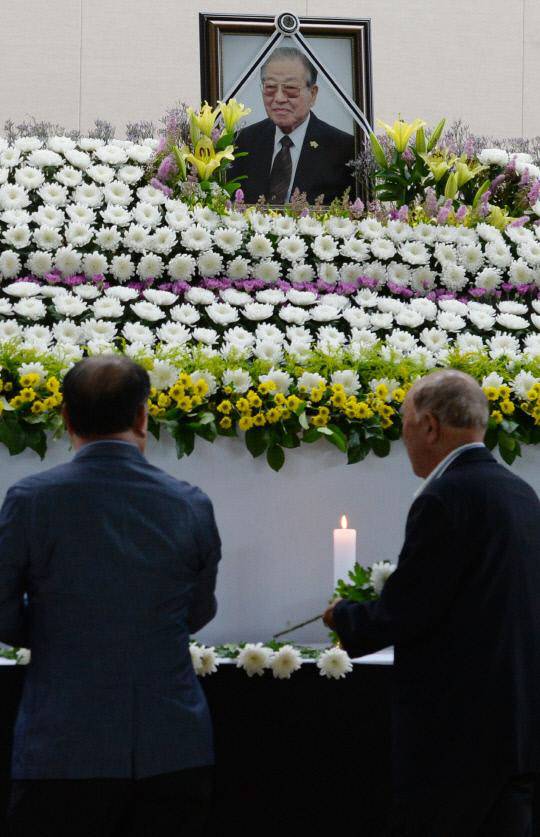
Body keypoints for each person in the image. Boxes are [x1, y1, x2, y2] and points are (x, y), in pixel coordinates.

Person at [0, 356, 221, 837]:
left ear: (65, 417)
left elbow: (2, 614)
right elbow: (199, 611)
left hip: (63, 744)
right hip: (170, 743)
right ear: (143, 416)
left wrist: (56, 633)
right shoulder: (189, 504)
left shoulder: (30, 501)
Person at [323, 370, 540, 837]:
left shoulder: (445, 497)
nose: (402, 436)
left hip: (459, 734)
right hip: (518, 726)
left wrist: (344, 616)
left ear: (429, 426)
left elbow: (410, 608)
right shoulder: (522, 493)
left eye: (404, 422)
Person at [229, 46, 355, 204]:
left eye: (290, 88)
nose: (279, 98)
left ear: (313, 94)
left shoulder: (345, 150)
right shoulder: (241, 142)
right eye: (270, 87)